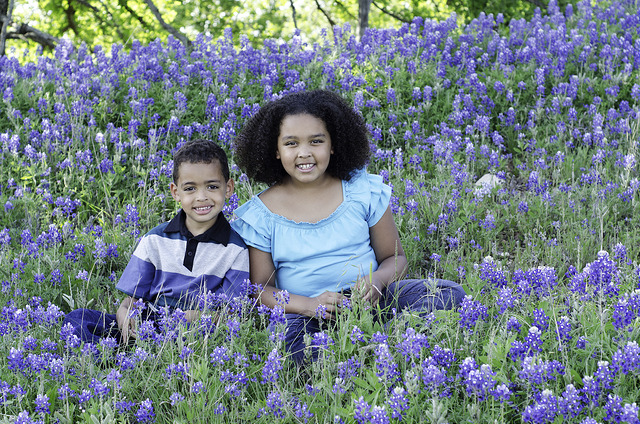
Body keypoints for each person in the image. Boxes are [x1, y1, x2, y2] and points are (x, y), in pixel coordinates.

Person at [231, 90, 466, 363]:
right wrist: (309, 305)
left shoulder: (360, 189)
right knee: (288, 340)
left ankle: (373, 345)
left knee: (450, 293)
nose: (304, 153)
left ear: (333, 144)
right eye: (291, 143)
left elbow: (395, 258)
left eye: (316, 141)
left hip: (375, 300)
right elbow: (261, 290)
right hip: (308, 314)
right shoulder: (261, 213)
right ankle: (378, 348)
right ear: (275, 149)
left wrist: (377, 281)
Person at [63, 139, 250, 345]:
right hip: (149, 322)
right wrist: (124, 313)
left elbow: (231, 315)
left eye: (212, 186)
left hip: (194, 329)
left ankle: (136, 356)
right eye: (190, 189)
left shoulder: (236, 249)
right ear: (175, 192)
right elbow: (132, 300)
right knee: (78, 319)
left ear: (229, 188)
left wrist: (190, 317)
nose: (201, 197)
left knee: (205, 336)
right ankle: (114, 357)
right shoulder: (154, 239)